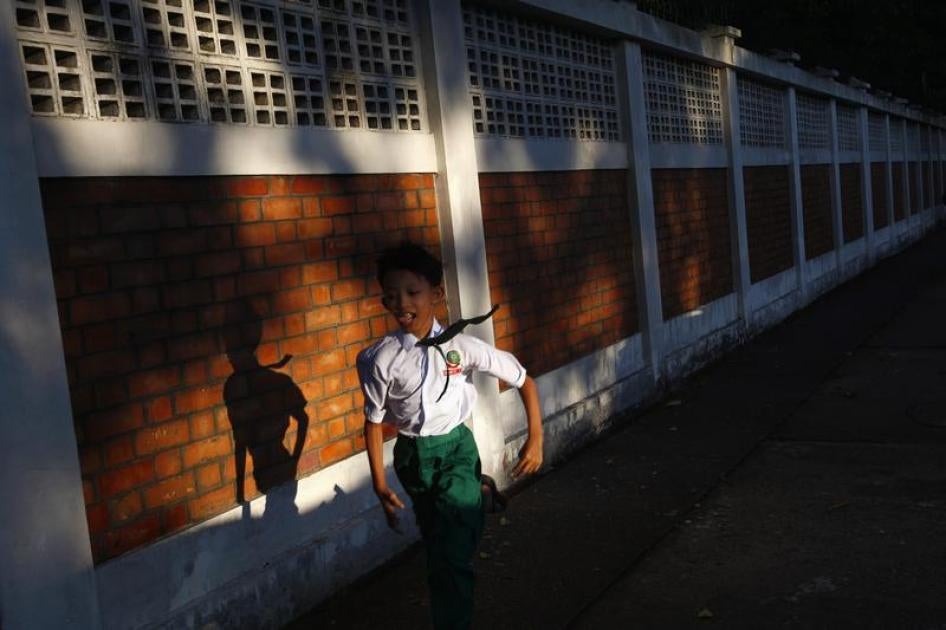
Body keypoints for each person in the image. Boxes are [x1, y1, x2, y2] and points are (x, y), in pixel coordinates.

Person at [356, 242, 543, 630]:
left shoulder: (463, 346)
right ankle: (480, 494)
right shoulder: (379, 359)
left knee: (451, 557)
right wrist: (378, 483)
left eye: (412, 292)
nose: (402, 303)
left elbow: (523, 379)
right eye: (391, 296)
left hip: (457, 448)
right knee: (437, 541)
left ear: (436, 294)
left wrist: (535, 438)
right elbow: (373, 423)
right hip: (412, 457)